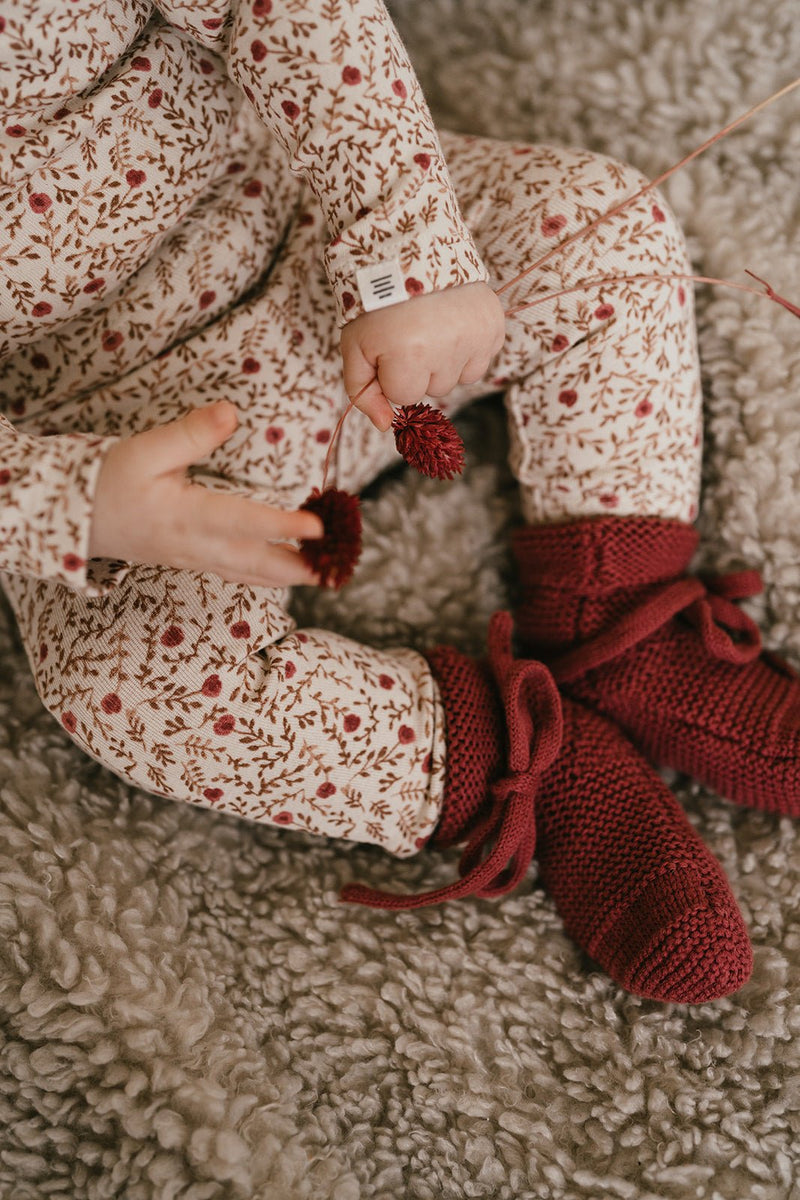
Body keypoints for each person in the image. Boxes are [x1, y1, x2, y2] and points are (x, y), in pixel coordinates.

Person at [2, 0, 794, 1004]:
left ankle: (620, 621)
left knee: (604, 231)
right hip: (99, 429)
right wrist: (72, 502)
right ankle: (527, 765)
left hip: (306, 240)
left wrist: (403, 257)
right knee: (128, 687)